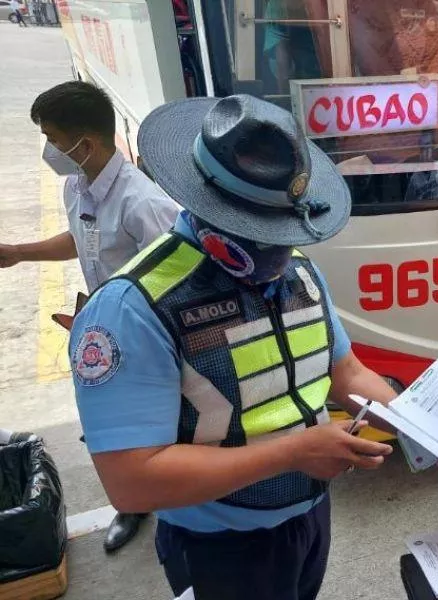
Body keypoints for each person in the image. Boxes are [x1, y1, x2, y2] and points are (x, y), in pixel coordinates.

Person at [68, 93, 399, 600]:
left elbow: (346, 372)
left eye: (286, 233)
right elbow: (133, 481)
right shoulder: (132, 309)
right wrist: (294, 453)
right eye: (259, 233)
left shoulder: (301, 274)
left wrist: (417, 420)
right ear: (207, 207)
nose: (280, 253)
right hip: (218, 546)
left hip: (308, 518)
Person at [0, 81, 180, 553]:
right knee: (107, 425)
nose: (50, 150)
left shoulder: (143, 203)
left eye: (54, 139)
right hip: (100, 327)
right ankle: (134, 502)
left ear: (87, 143)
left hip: (144, 339)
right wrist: (19, 253)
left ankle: (165, 503)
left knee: (145, 426)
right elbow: (81, 239)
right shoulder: (79, 184)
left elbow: (175, 284)